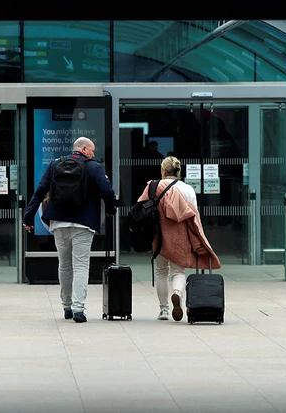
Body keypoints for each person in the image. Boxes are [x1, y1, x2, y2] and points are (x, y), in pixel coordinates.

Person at [22, 137, 116, 323]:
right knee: (80, 265)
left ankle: (66, 306)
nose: (93, 154)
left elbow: (40, 191)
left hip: (58, 222)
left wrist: (28, 216)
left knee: (64, 264)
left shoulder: (55, 164)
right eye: (92, 150)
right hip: (83, 223)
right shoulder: (93, 167)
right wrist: (111, 210)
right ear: (83, 148)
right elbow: (107, 191)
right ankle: (78, 309)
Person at [137, 156, 221, 322]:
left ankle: (164, 310)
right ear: (178, 171)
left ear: (163, 170)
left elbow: (141, 206)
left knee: (161, 271)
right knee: (178, 272)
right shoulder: (187, 189)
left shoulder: (153, 186)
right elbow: (194, 215)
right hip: (180, 236)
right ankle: (177, 293)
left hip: (159, 235)